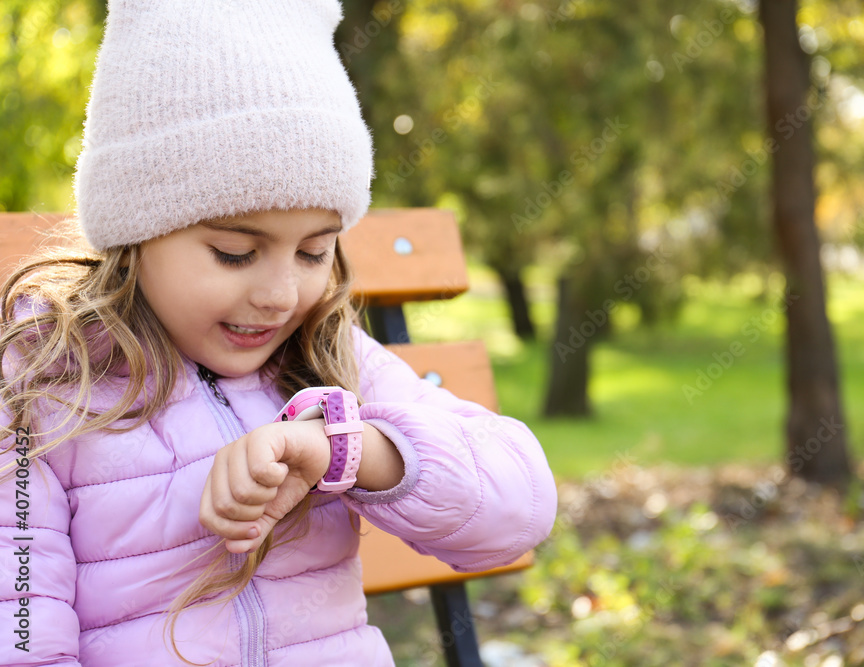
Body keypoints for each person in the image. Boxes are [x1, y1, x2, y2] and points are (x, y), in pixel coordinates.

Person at [0, 1, 557, 665]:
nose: (280, 294)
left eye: (314, 251)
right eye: (236, 252)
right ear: (134, 232)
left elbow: (518, 508)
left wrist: (345, 451)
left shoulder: (328, 356)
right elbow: (22, 626)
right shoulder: (46, 383)